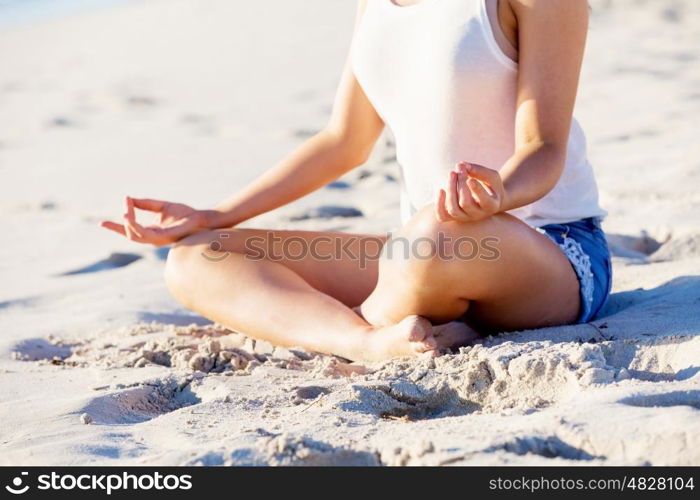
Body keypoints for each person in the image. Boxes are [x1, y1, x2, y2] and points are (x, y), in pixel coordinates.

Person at [102, 0, 612, 362]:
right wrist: (215, 216)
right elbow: (343, 141)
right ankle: (361, 342)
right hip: (421, 251)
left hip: (549, 251)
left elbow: (543, 149)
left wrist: (498, 192)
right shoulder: (376, 3)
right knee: (194, 258)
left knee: (435, 236)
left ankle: (374, 320)